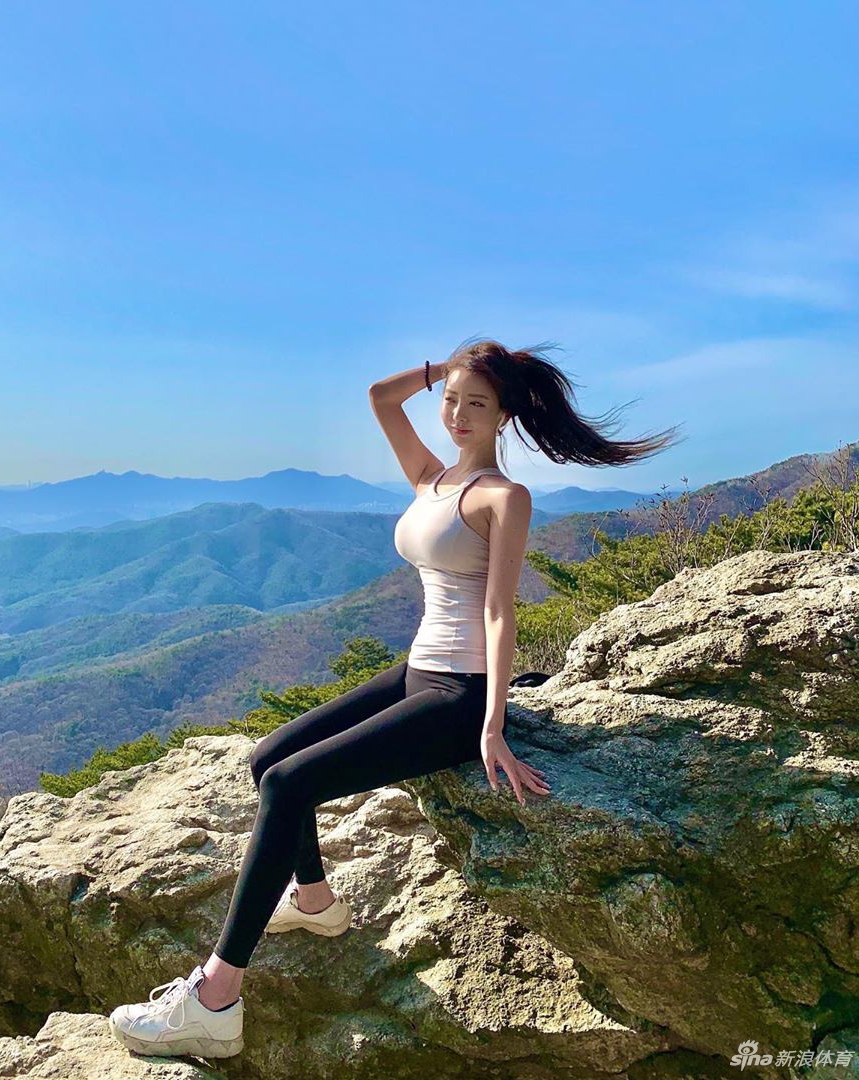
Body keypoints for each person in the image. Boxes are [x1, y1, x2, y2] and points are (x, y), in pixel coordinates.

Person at [109, 338, 683, 1059]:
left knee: (290, 784)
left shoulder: (504, 497)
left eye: (478, 403)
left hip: (460, 695)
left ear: (504, 416)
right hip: (417, 669)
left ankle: (216, 998)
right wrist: (457, 365)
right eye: (451, 400)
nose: (458, 413)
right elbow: (382, 398)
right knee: (267, 759)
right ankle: (314, 901)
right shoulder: (430, 479)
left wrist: (494, 727)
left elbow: (502, 613)